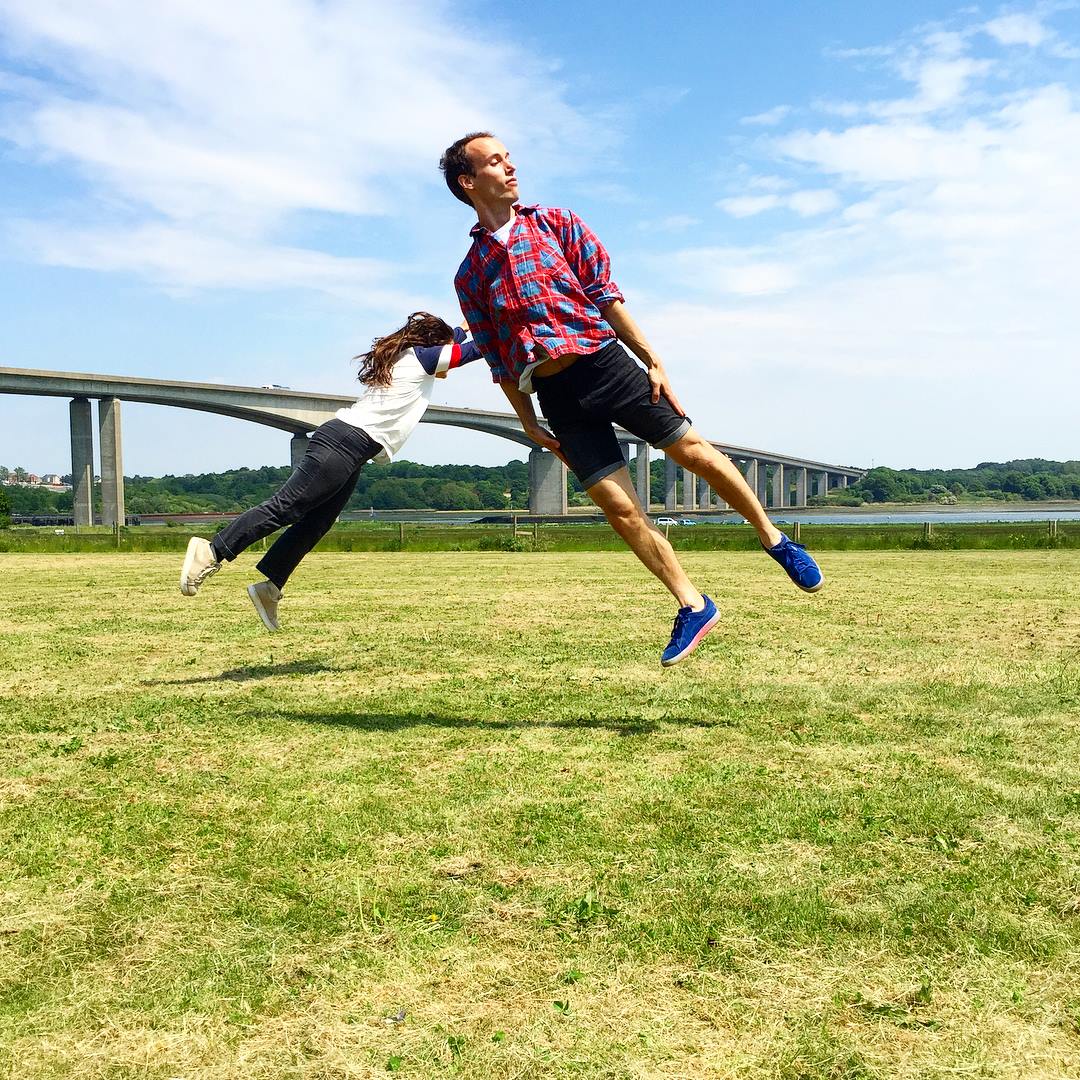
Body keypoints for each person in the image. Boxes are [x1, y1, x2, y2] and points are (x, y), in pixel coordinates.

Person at [439, 133, 824, 666]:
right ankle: (693, 603)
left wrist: (653, 360)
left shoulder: (556, 223)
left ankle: (774, 539)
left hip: (606, 363)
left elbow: (606, 295)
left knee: (694, 453)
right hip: (556, 395)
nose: (510, 166)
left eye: (508, 156)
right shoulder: (470, 273)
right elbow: (498, 356)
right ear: (468, 181)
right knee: (620, 510)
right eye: (495, 160)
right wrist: (527, 421)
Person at [179, 312, 483, 630]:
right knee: (287, 506)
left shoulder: (416, 358)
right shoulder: (423, 359)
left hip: (351, 448)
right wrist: (508, 334)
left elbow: (460, 339)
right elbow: (469, 351)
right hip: (344, 443)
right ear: (436, 344)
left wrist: (473, 318)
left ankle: (269, 587)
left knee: (317, 522)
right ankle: (211, 551)